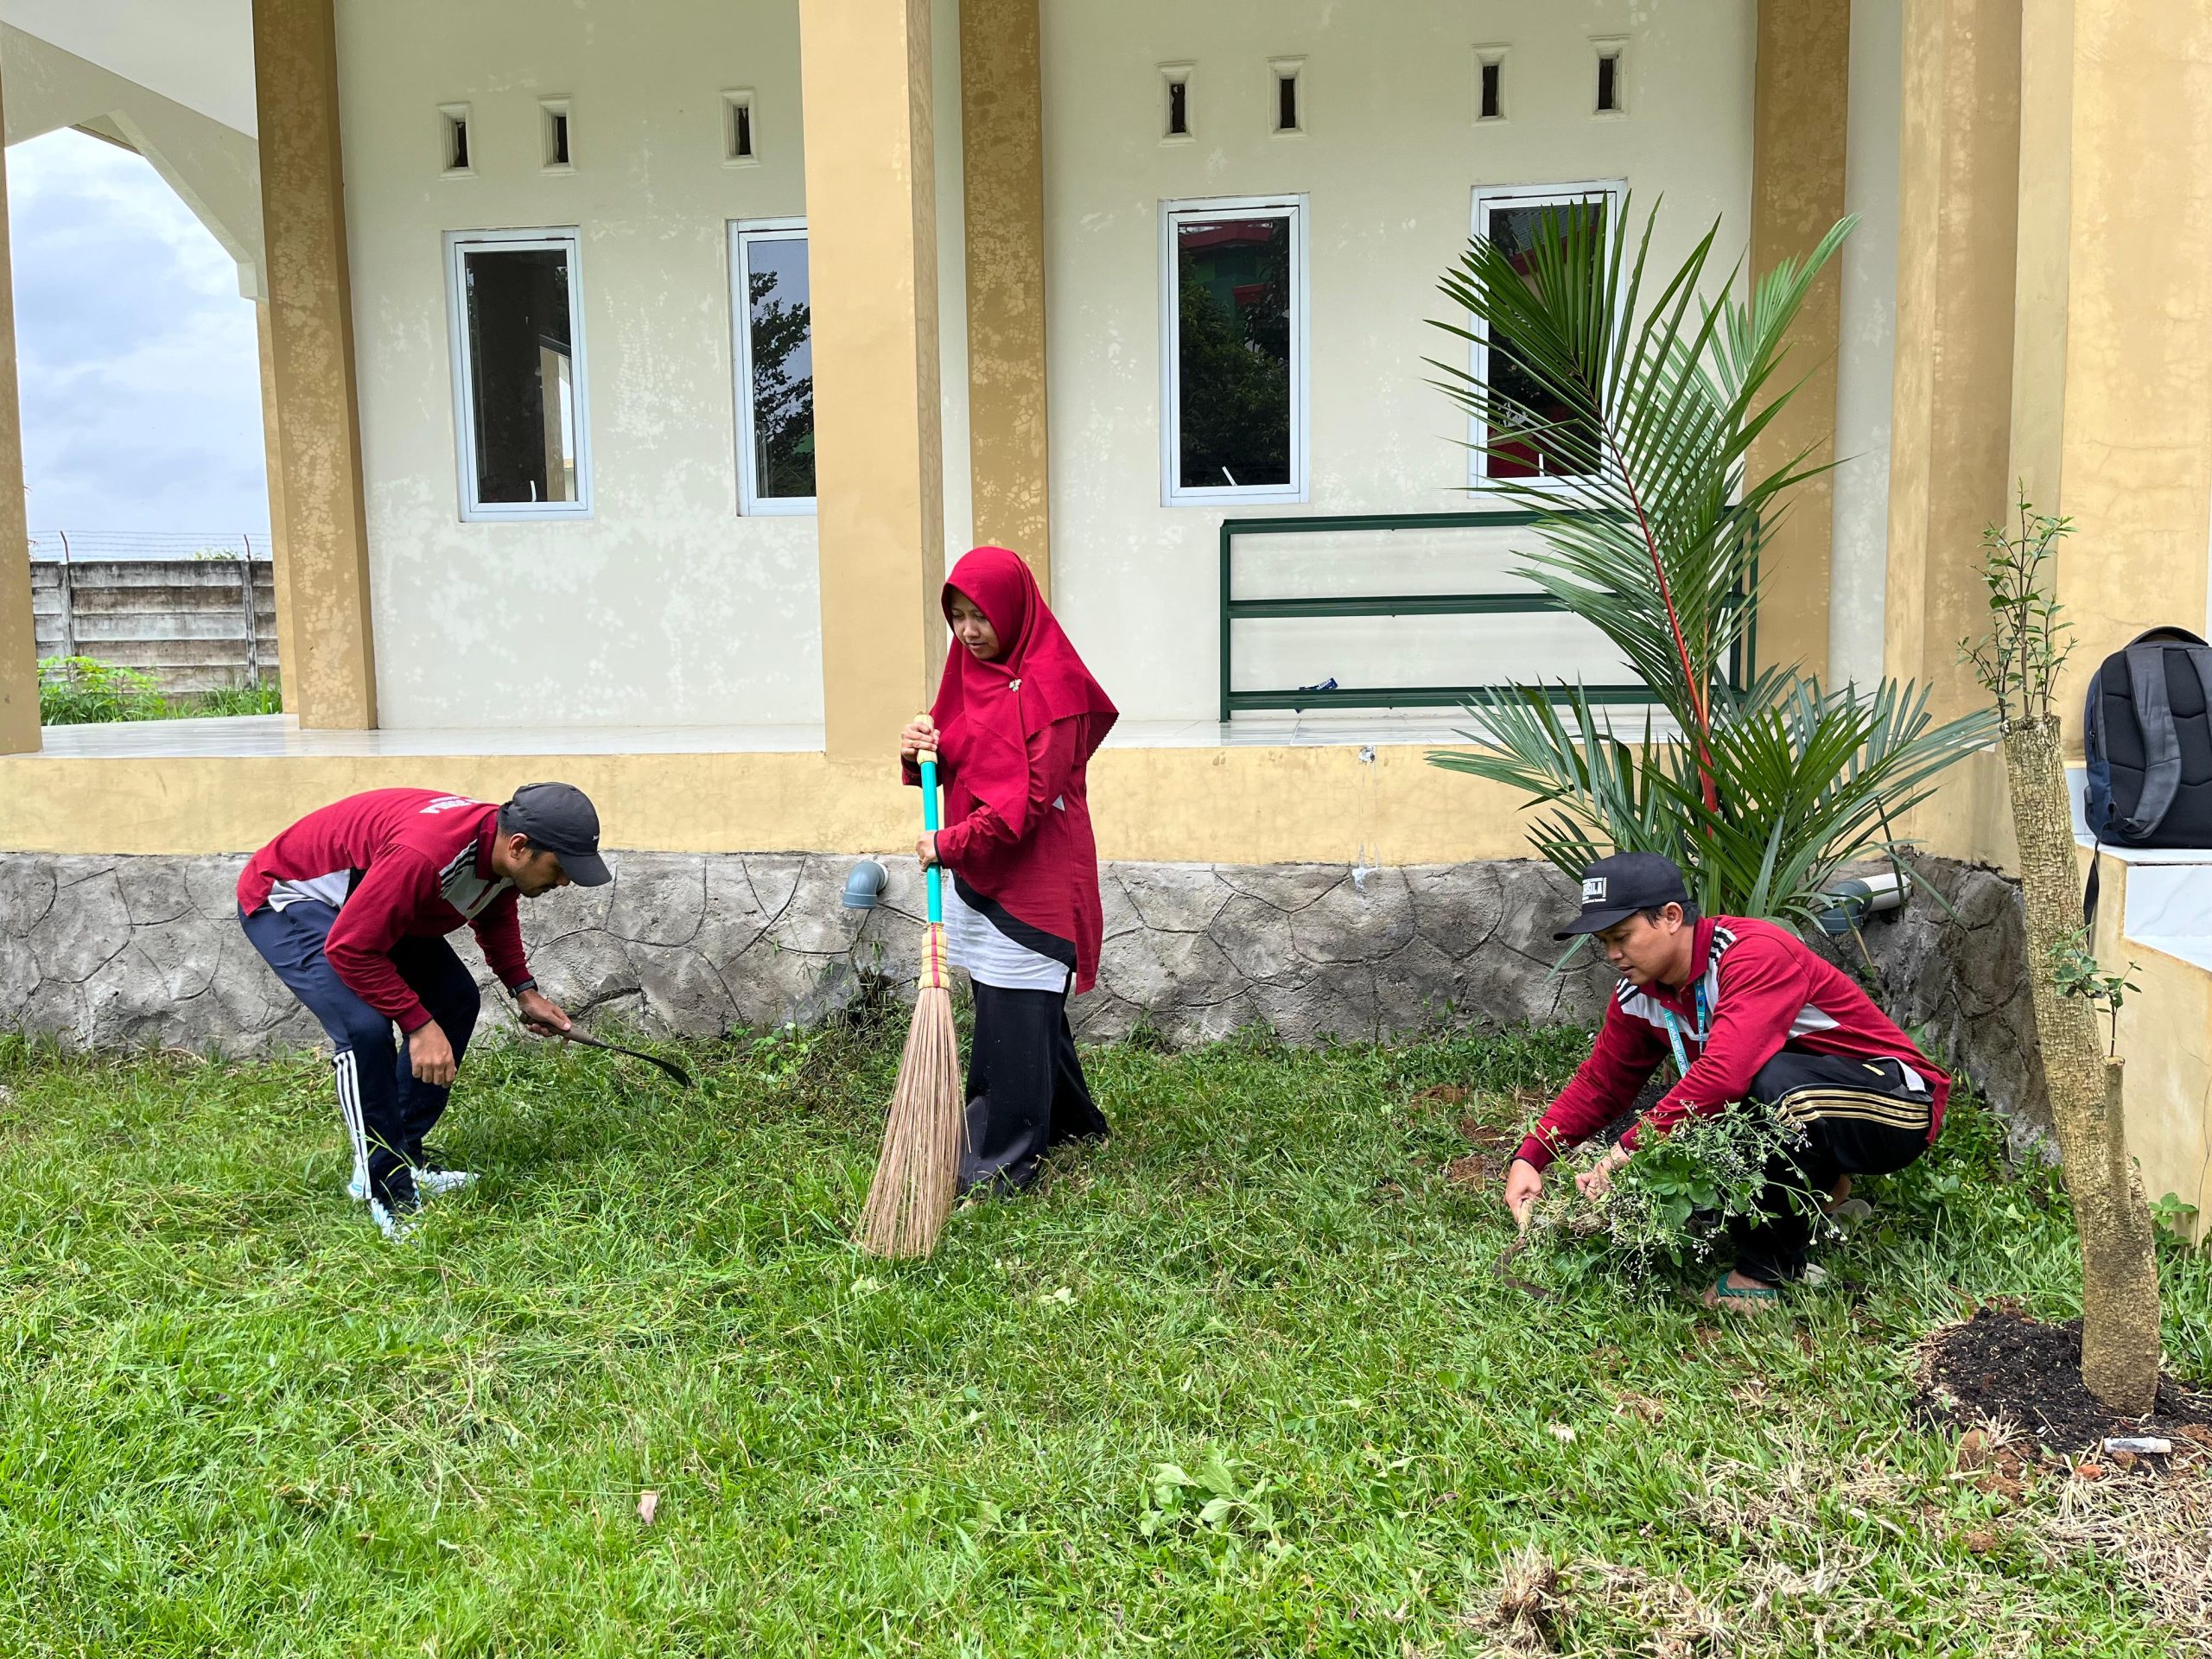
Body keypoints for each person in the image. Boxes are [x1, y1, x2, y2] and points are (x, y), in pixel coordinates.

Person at [1502, 851, 1948, 1306]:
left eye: (1622, 936)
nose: (1613, 954)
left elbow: (1725, 1075)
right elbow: (1602, 1083)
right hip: (1821, 1103)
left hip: (1898, 1103)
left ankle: (1766, 1276)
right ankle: (1828, 1198)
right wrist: (1531, 1157)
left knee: (1765, 1083)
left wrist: (1624, 1152)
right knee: (1738, 1105)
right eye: (1604, 942)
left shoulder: (1752, 954)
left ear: (1671, 917)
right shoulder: (1637, 993)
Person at [237, 784, 610, 1239]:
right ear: (519, 846)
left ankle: (405, 1155)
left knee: (454, 998)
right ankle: (381, 1184)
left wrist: (523, 990)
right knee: (364, 1029)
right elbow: (352, 948)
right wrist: (418, 1026)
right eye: (560, 867)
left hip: (368, 897)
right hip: (293, 897)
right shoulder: (427, 854)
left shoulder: (496, 851)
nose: (565, 882)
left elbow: (492, 908)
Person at [897, 545, 1119, 1195]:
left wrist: (949, 845)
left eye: (981, 616)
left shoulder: (1056, 689)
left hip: (1037, 879)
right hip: (986, 870)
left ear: (1015, 610)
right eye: (958, 616)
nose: (968, 631)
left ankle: (1001, 1161)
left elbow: (1021, 808)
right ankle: (1074, 1122)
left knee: (1011, 1014)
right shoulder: (972, 671)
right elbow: (959, 754)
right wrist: (919, 752)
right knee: (1018, 1008)